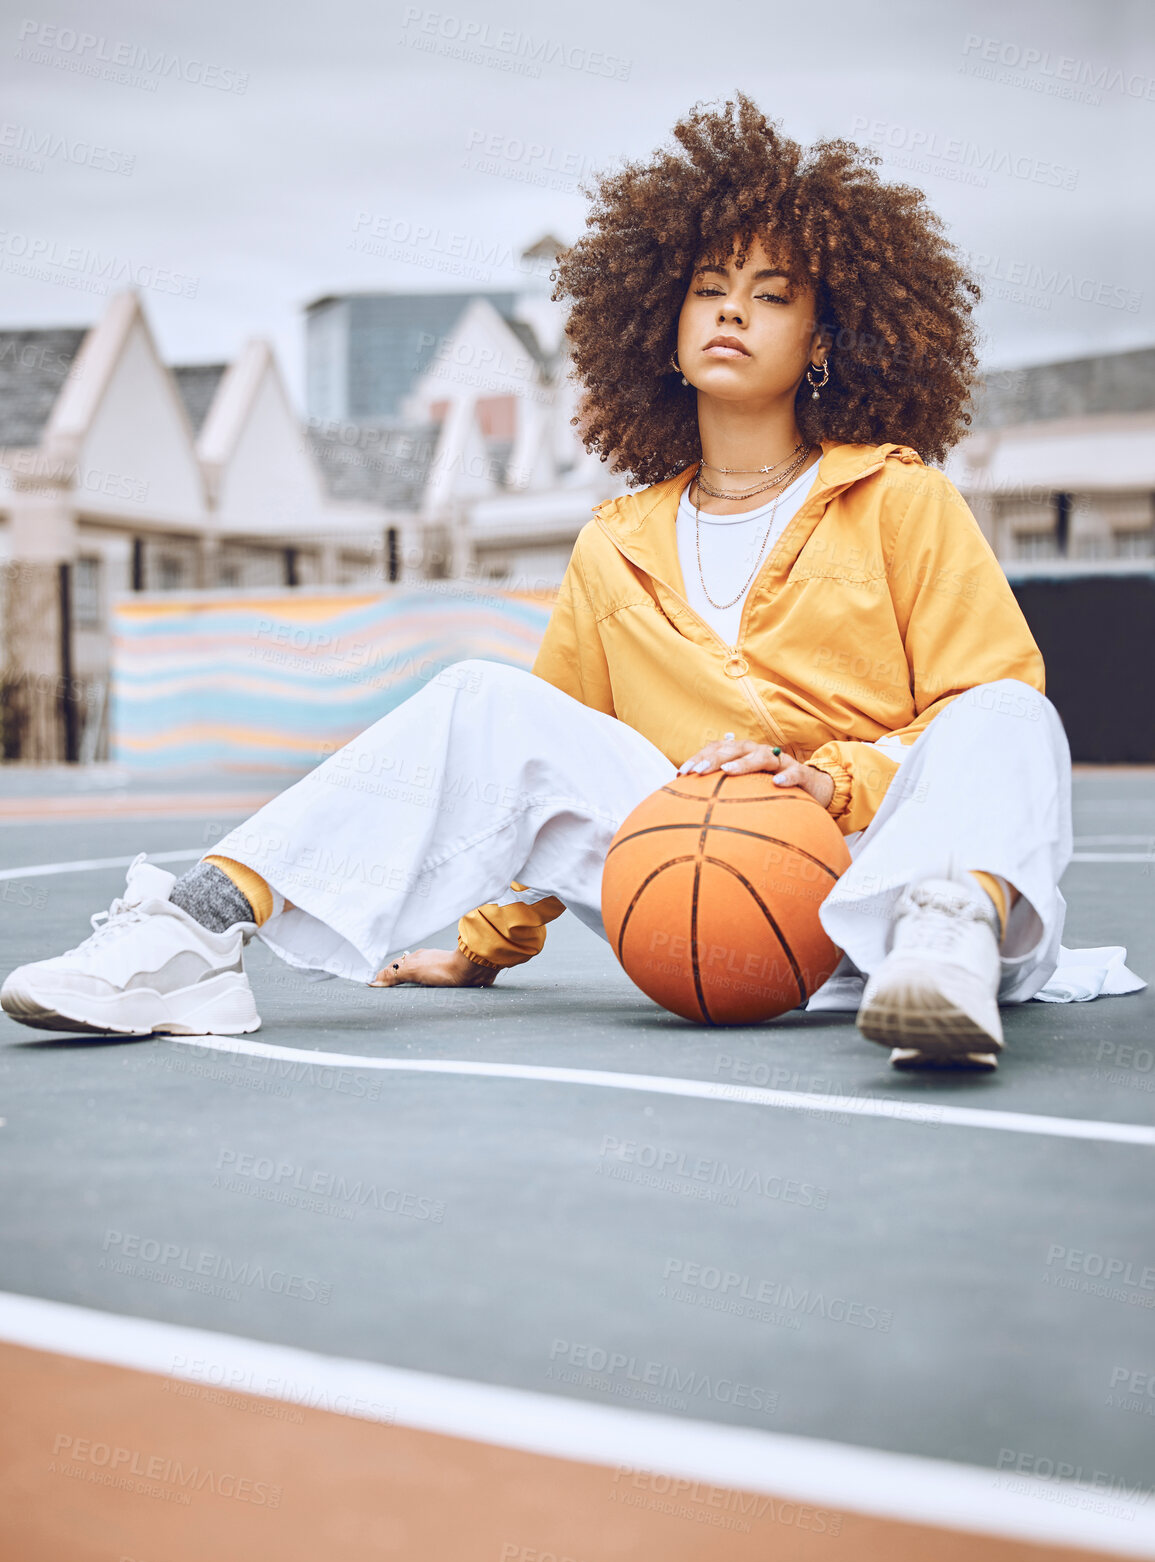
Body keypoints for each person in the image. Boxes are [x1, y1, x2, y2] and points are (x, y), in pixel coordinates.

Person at [2, 96, 1142, 1067]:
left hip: (892, 879)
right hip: (712, 916)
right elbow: (535, 769)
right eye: (707, 286)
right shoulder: (617, 541)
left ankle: (942, 945)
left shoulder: (900, 498)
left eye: (773, 292)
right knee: (484, 697)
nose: (732, 309)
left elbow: (977, 718)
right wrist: (484, 943)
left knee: (1006, 709)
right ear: (663, 320)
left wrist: (834, 782)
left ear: (830, 338)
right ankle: (195, 935)